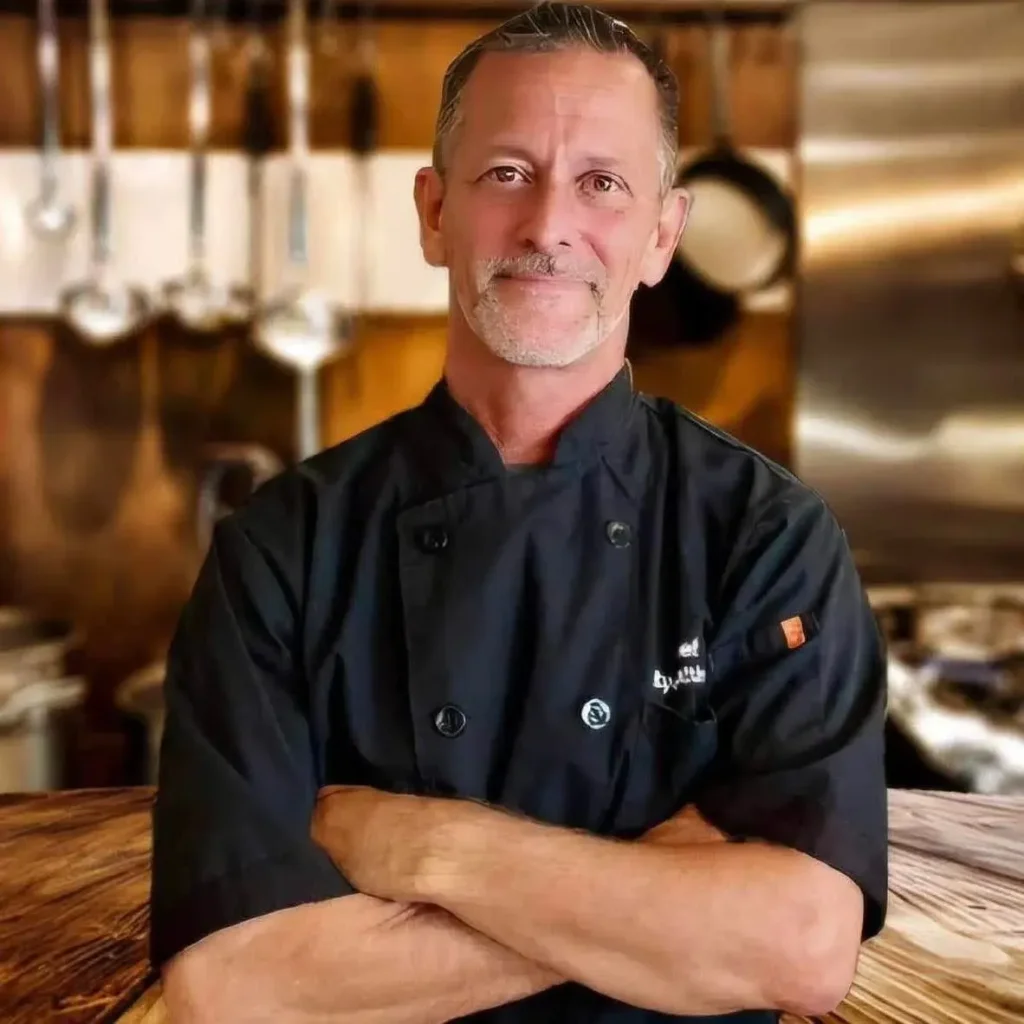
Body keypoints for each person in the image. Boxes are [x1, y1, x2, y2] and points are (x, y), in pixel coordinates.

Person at [150, 3, 888, 1022]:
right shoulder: (280, 549)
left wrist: (427, 848)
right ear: (433, 211)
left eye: (601, 183)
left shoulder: (765, 537)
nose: (548, 226)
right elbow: (225, 989)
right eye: (505, 173)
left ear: (660, 234)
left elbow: (802, 948)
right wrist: (657, 888)